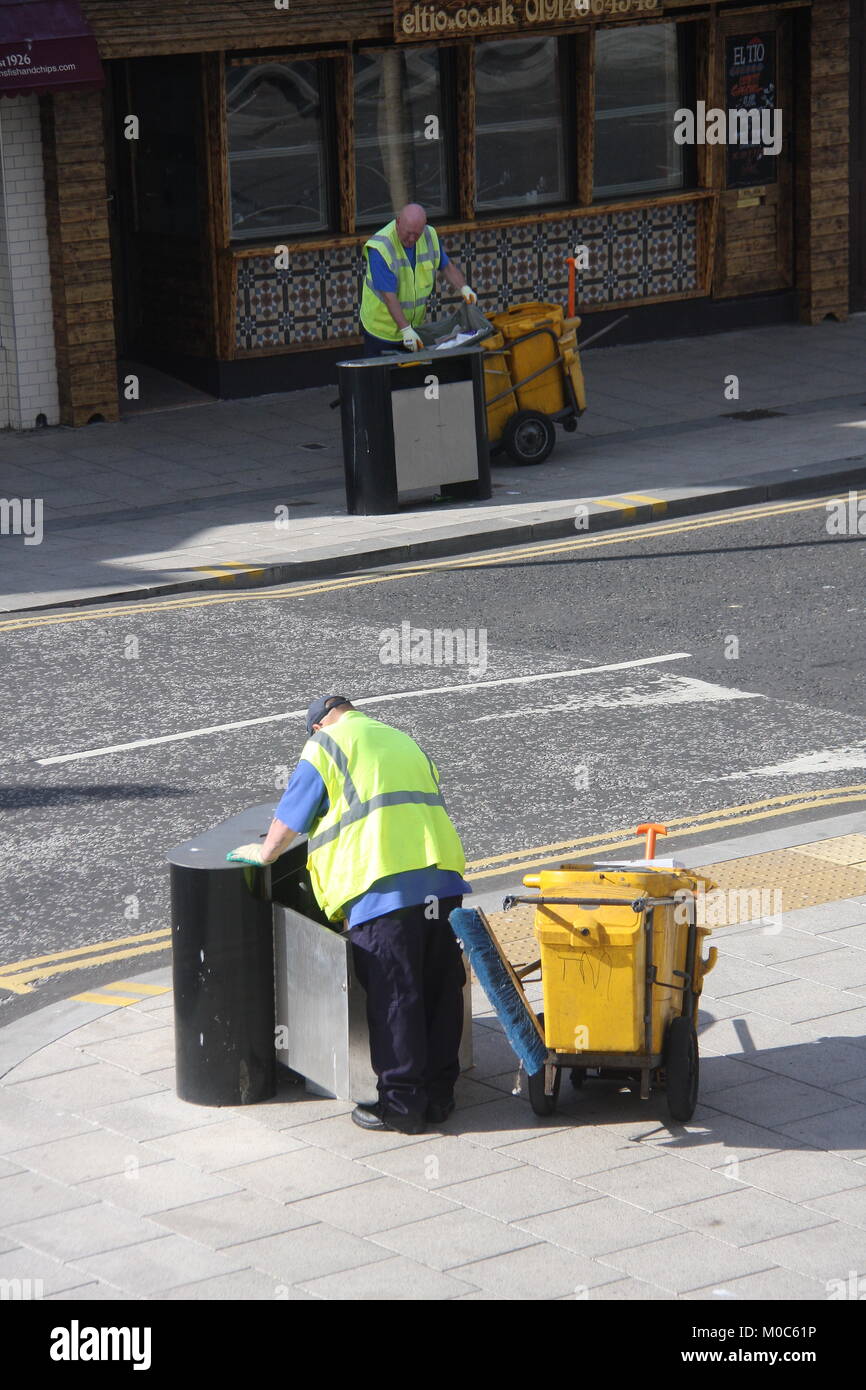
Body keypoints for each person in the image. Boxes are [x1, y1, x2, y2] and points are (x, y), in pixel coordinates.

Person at [227, 696, 471, 1135]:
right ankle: (439, 1096)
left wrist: (264, 853)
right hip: (442, 880)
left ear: (319, 726)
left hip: (381, 885)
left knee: (396, 995)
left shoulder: (327, 746)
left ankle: (402, 1106)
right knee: (440, 988)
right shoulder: (401, 739)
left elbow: (294, 814)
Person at [360, 202, 477, 356]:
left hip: (414, 329)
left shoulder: (429, 236)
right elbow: (389, 297)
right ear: (398, 223)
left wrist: (464, 288)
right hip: (381, 330)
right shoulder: (381, 248)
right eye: (408, 233)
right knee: (381, 377)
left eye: (417, 234)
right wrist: (405, 329)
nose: (412, 238)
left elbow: (446, 266)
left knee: (410, 377)